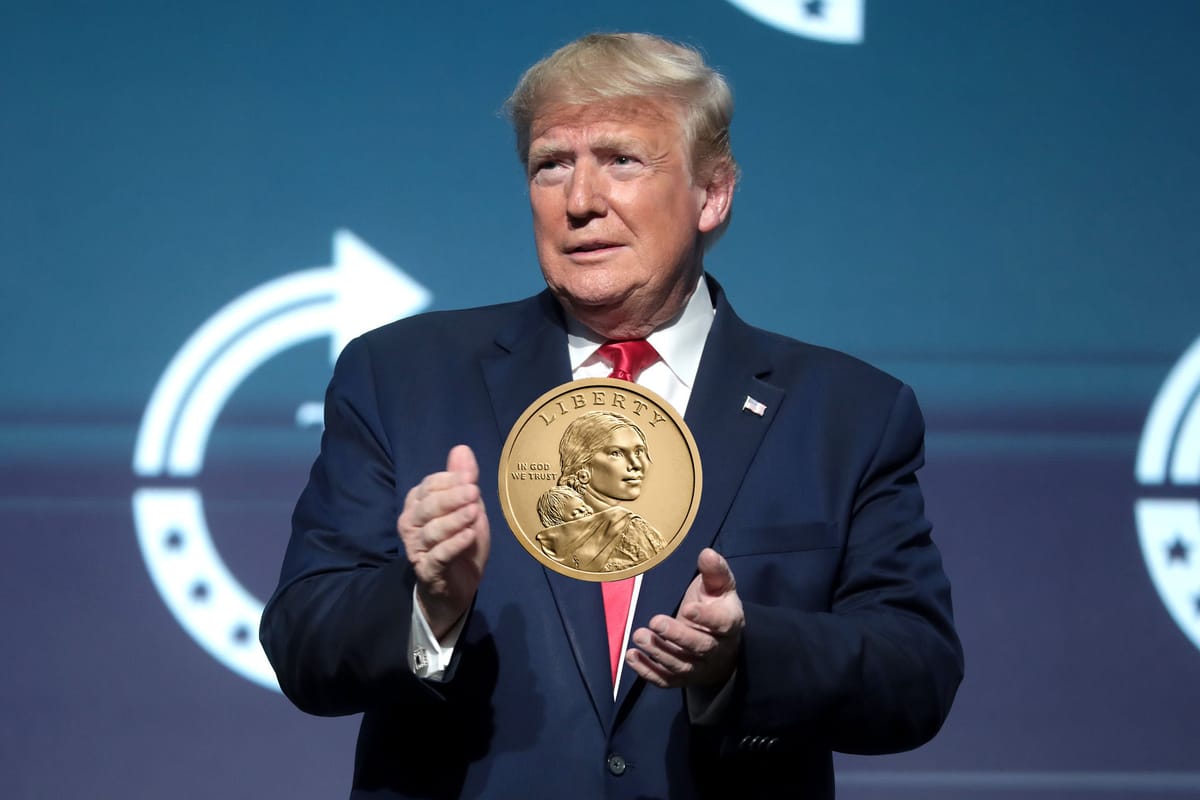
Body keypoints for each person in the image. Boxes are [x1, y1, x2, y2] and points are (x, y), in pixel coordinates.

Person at [261, 32, 962, 799]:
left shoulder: (847, 413)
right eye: (551, 165)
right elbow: (302, 642)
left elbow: (916, 671)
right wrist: (428, 603)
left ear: (712, 194)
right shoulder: (401, 377)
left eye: (621, 160)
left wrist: (744, 656)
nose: (580, 201)